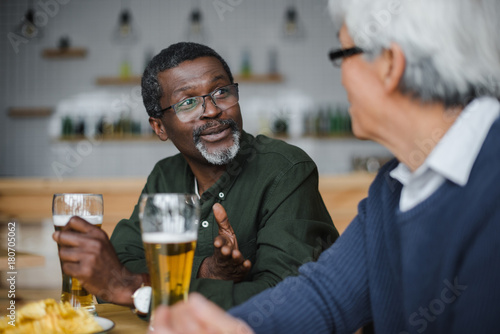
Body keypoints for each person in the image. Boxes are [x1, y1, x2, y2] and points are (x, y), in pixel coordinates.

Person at [147, 0, 500, 333]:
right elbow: (325, 297)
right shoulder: (394, 188)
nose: (341, 76)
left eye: (342, 54)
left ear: (391, 64)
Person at [52, 42, 338, 311]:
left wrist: (136, 288)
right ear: (159, 127)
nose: (212, 110)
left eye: (221, 92)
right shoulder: (165, 176)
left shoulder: (286, 169)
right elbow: (121, 262)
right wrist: (205, 270)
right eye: (188, 103)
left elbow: (286, 299)